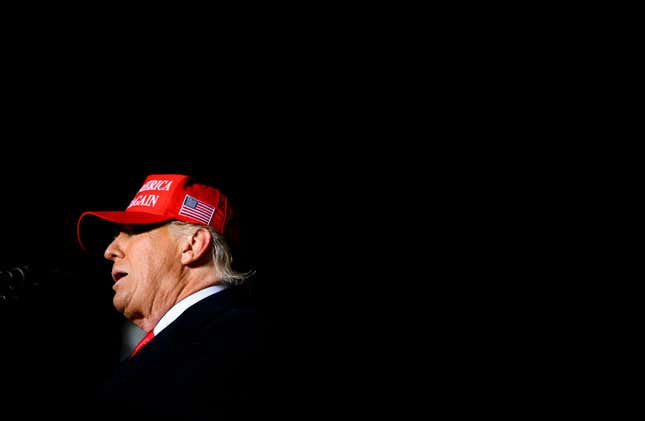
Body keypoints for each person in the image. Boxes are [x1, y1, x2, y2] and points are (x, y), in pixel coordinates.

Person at [76, 173, 266, 420]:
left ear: (192, 245)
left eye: (134, 231)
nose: (110, 251)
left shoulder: (238, 337)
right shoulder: (204, 338)